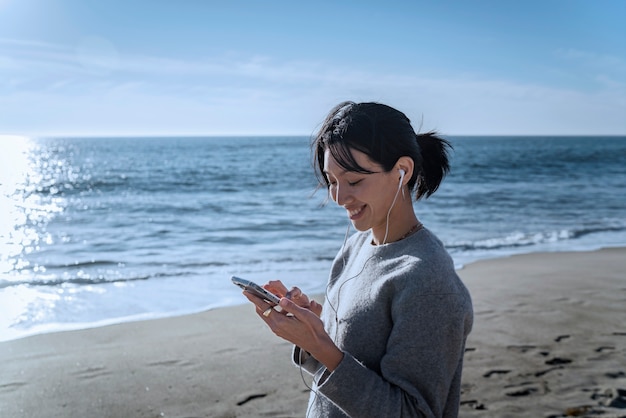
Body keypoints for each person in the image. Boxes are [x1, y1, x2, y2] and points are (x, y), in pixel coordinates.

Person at [243, 101, 473, 417]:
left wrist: (322, 345)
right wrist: (310, 333)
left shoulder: (427, 280)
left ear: (402, 171)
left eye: (353, 181)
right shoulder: (356, 248)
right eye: (332, 181)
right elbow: (349, 367)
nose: (338, 198)